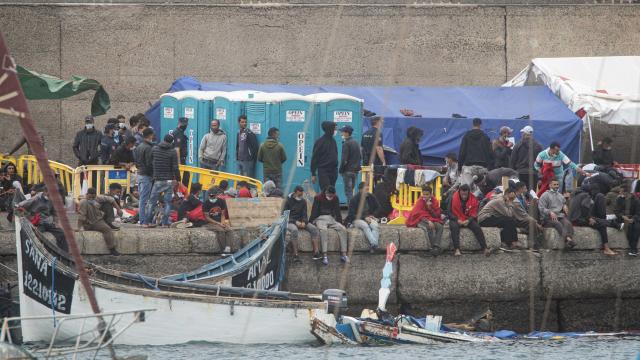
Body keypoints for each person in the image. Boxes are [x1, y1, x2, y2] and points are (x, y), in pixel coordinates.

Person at [569, 184, 617, 256]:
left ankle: (607, 247)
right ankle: (607, 248)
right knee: (602, 224)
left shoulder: (575, 196)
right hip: (579, 220)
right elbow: (584, 206)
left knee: (600, 224)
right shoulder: (586, 195)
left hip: (574, 219)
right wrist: (589, 218)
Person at [16, 186, 67, 251]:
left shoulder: (52, 199)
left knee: (62, 234)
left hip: (49, 222)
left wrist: (56, 223)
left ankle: (63, 252)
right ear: (45, 192)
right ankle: (35, 252)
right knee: (36, 236)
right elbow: (19, 206)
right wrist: (28, 217)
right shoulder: (36, 198)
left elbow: (54, 213)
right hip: (38, 223)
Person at [146, 134, 181, 227]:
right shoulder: (172, 151)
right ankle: (164, 223)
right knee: (168, 203)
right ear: (171, 142)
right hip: (168, 180)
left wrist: (153, 173)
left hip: (157, 179)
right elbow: (175, 167)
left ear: (163, 139)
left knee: (151, 202)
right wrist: (178, 179)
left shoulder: (154, 149)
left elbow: (149, 162)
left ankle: (147, 222)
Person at [309, 185, 349, 265]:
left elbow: (337, 211)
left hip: (330, 218)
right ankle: (325, 255)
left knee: (343, 229)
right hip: (320, 218)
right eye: (330, 195)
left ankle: (343, 254)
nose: (331, 197)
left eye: (332, 196)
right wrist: (311, 221)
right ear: (326, 192)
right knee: (323, 231)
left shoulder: (335, 198)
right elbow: (314, 210)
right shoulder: (318, 197)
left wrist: (340, 223)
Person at [447, 184, 489, 256]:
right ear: (459, 192)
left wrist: (469, 220)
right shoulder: (453, 197)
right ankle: (457, 249)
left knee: (477, 227)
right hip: (456, 217)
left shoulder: (473, 199)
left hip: (468, 218)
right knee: (454, 227)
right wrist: (457, 219)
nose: (464, 196)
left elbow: (475, 213)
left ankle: (485, 248)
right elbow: (449, 212)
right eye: (462, 194)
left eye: (466, 194)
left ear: (469, 193)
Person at [77, 188, 120, 256]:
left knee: (107, 204)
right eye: (89, 197)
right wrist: (79, 227)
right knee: (107, 229)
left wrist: (118, 209)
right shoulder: (83, 202)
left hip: (98, 219)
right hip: (90, 222)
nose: (91, 199)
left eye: (93, 197)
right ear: (87, 195)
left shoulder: (97, 199)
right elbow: (81, 216)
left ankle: (109, 222)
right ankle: (112, 248)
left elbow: (110, 199)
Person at [283, 185, 320, 262]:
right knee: (294, 230)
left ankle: (316, 252)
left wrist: (304, 221)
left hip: (301, 220)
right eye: (300, 194)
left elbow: (304, 214)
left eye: (302, 194)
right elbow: (285, 215)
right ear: (295, 192)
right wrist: (295, 222)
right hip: (290, 221)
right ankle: (295, 254)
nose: (301, 196)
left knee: (313, 229)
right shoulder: (287, 201)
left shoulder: (303, 201)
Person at [406, 185, 445, 255]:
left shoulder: (434, 201)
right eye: (423, 194)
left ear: (431, 194)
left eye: (427, 194)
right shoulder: (420, 201)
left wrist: (430, 208)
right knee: (428, 228)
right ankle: (432, 248)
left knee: (440, 226)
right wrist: (428, 221)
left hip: (431, 218)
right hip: (418, 220)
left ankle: (436, 246)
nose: (425, 196)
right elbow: (418, 214)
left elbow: (436, 215)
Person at [539, 179, 575, 248]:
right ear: (550, 185)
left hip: (559, 216)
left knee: (567, 223)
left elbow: (564, 202)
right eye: (554, 184)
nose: (556, 186)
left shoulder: (560, 195)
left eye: (557, 184)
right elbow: (541, 208)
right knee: (557, 223)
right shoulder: (545, 195)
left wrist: (564, 205)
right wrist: (550, 212)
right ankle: (567, 239)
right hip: (547, 218)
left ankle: (569, 240)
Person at [345, 181, 380, 252]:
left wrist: (372, 215)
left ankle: (373, 247)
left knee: (375, 226)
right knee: (365, 226)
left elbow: (378, 207)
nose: (367, 191)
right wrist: (364, 217)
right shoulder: (354, 199)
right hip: (357, 219)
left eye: (368, 189)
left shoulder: (371, 197)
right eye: (365, 190)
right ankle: (374, 244)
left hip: (369, 217)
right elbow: (351, 215)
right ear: (360, 190)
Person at [134, 128, 155, 227]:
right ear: (150, 135)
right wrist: (153, 174)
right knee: (144, 199)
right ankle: (144, 221)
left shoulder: (139, 146)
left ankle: (143, 220)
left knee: (142, 199)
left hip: (140, 174)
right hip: (146, 175)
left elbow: (136, 161)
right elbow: (149, 163)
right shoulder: (148, 148)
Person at [203, 186, 233, 255]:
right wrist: (218, 223)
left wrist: (222, 222)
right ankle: (223, 250)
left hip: (220, 221)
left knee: (229, 230)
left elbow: (222, 214)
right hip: (210, 223)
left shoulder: (221, 202)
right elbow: (207, 217)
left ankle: (228, 248)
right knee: (221, 231)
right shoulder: (206, 204)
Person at [311, 121, 339, 192]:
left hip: (333, 171)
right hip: (324, 171)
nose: (335, 131)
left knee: (332, 191)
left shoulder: (333, 141)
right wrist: (313, 173)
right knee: (326, 190)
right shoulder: (320, 142)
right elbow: (314, 158)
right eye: (334, 129)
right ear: (329, 129)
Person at [338, 125, 361, 203]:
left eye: (342, 132)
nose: (341, 134)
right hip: (355, 171)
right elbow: (360, 156)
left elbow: (344, 160)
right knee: (351, 190)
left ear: (347, 133)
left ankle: (351, 210)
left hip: (347, 171)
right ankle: (353, 209)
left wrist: (340, 170)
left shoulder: (346, 143)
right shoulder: (356, 142)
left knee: (348, 192)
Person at [615, 184, 640, 256]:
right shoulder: (619, 199)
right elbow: (616, 211)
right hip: (622, 218)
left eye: (621, 192)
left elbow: (638, 212)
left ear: (627, 193)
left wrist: (633, 219)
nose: (620, 193)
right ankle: (633, 248)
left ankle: (633, 248)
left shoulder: (635, 200)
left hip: (633, 218)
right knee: (628, 227)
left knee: (636, 227)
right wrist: (623, 216)